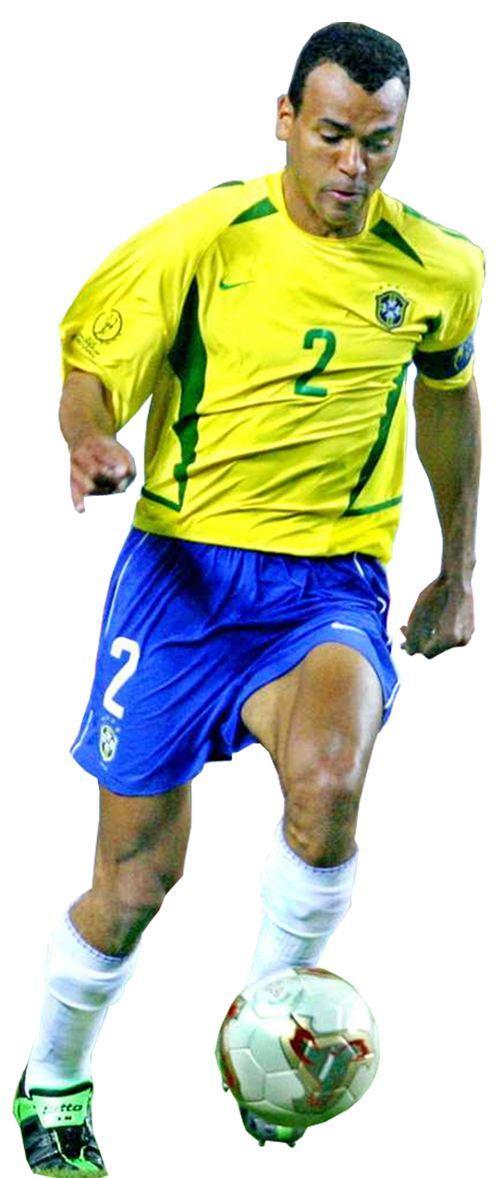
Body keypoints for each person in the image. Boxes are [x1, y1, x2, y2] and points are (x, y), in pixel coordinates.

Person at [14, 19, 483, 1171]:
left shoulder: (436, 268)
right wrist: (88, 440)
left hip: (325, 585)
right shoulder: (204, 236)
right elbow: (91, 369)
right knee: (135, 881)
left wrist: (457, 569)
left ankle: (273, 1034)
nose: (352, 166)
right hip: (179, 579)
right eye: (330, 135)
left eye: (378, 141)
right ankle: (54, 1077)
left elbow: (447, 399)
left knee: (329, 779)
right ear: (284, 119)